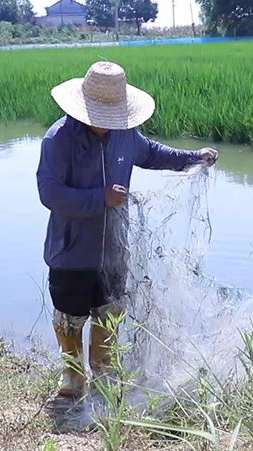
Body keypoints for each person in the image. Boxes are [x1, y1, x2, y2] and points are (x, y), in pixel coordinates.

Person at [36, 60, 219, 399]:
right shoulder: (58, 139)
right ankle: (73, 377)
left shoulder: (125, 134)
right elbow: (50, 194)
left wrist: (195, 158)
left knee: (109, 314)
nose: (105, 125)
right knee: (69, 318)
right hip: (71, 252)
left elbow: (154, 154)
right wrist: (100, 198)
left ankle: (104, 378)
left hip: (115, 250)